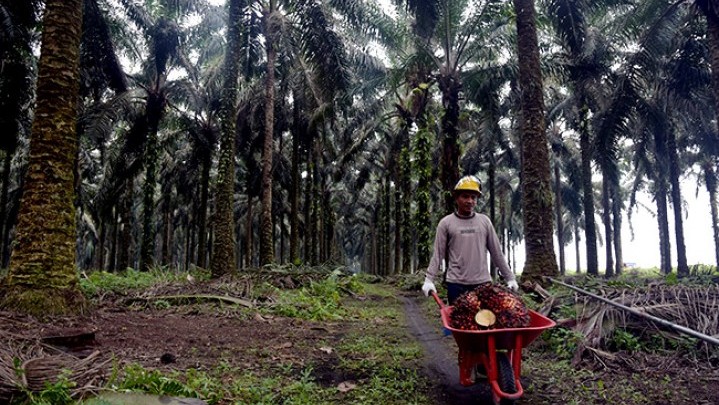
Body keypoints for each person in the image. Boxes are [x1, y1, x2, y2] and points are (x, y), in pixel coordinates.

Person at [421, 175, 518, 304]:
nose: (470, 201)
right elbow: (438, 254)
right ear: (456, 198)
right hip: (456, 285)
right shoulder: (446, 223)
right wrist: (429, 279)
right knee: (458, 322)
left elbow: (496, 253)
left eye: (473, 197)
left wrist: (510, 277)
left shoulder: (484, 222)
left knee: (485, 321)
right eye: (465, 196)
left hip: (483, 284)